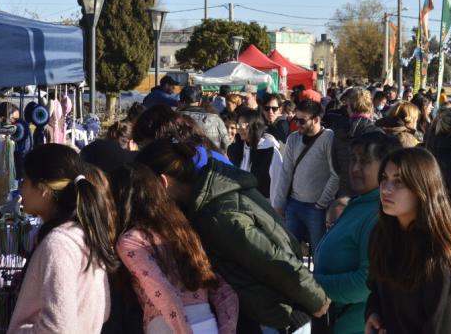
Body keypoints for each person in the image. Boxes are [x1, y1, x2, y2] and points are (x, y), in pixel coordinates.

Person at [136, 140, 330, 333]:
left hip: (277, 316)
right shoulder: (217, 189)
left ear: (163, 182)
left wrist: (315, 298)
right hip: (274, 311)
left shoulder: (217, 214)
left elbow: (270, 258)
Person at [365, 148, 451, 333]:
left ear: (422, 188)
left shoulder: (443, 258)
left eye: (399, 181)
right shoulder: (382, 235)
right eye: (384, 178)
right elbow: (377, 288)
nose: (386, 189)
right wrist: (373, 313)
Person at [113, 163, 238, 333]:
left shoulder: (130, 242)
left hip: (167, 326)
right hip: (208, 323)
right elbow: (224, 292)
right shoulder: (183, 230)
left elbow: (163, 292)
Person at [8, 144, 119, 333]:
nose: (20, 190)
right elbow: (104, 308)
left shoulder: (59, 244)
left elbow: (57, 328)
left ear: (43, 188)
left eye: (24, 182)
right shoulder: (83, 234)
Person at [313, 132, 401, 334]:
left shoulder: (379, 215)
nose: (355, 168)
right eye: (353, 160)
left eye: (365, 162)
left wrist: (310, 285)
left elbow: (365, 283)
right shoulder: (360, 204)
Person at [274, 100, 339, 249]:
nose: (297, 124)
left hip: (316, 208)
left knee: (319, 252)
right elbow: (286, 173)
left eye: (302, 121)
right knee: (288, 250)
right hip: (293, 204)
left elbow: (335, 174)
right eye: (296, 119)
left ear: (316, 119)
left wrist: (322, 202)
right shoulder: (293, 139)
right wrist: (279, 204)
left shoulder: (329, 138)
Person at [330, 88, 381, 198]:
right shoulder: (376, 133)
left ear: (349, 107)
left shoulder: (338, 130)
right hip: (368, 193)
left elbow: (334, 164)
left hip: (344, 190)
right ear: (370, 106)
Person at [236, 108, 283, 199]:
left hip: (264, 204)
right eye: (238, 125)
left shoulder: (270, 150)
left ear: (255, 126)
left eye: (244, 125)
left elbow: (277, 183)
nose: (240, 129)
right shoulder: (239, 148)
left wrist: (275, 208)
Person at [179, 85, 230, 151]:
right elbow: (226, 143)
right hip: (211, 159)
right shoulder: (215, 119)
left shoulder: (172, 119)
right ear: (200, 102)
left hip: (180, 159)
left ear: (180, 102)